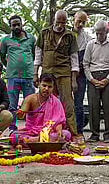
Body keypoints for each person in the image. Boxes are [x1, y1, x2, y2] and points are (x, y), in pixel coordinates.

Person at [34, 10, 80, 138]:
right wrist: (35, 73)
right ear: (54, 20)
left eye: (63, 23)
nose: (60, 25)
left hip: (64, 72)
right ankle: (47, 132)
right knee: (48, 104)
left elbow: (74, 57)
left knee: (68, 104)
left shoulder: (70, 36)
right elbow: (38, 54)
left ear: (66, 22)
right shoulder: (44, 33)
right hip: (47, 72)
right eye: (58, 22)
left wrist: (74, 79)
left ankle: (73, 133)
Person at [83, 20, 109, 142]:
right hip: (93, 76)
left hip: (108, 75)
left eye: (101, 33)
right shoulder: (90, 44)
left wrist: (107, 79)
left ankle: (108, 134)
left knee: (108, 106)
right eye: (97, 33)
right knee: (93, 106)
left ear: (106, 32)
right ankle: (94, 134)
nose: (99, 36)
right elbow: (85, 64)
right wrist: (92, 80)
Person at [11, 73, 71, 145]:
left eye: (49, 87)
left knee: (67, 134)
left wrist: (59, 132)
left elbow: (58, 122)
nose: (46, 89)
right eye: (44, 85)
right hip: (31, 132)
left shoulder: (56, 101)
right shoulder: (30, 99)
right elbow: (22, 113)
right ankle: (40, 140)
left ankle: (34, 141)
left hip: (49, 132)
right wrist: (20, 113)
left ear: (53, 87)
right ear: (39, 84)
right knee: (14, 136)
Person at [0, 15, 36, 132]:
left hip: (28, 77)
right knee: (12, 105)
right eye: (13, 25)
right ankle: (12, 129)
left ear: (22, 24)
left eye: (18, 24)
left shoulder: (31, 38)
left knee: (30, 104)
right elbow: (2, 57)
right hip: (12, 77)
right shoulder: (6, 40)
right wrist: (11, 67)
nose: (16, 27)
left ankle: (31, 127)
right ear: (10, 26)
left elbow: (34, 55)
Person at [72, 11, 93, 135]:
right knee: (64, 103)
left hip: (81, 75)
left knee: (78, 104)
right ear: (73, 19)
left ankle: (79, 132)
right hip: (66, 73)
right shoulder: (66, 34)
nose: (80, 24)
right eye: (78, 21)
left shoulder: (88, 39)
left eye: (83, 22)